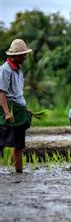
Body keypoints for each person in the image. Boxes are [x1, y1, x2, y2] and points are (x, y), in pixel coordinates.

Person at [0, 39, 33, 173]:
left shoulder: (18, 69)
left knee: (19, 145)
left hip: (19, 112)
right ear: (15, 56)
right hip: (9, 111)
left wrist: (24, 108)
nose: (25, 58)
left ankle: (19, 173)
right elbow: (1, 92)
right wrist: (7, 112)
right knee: (0, 144)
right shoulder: (5, 70)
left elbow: (17, 93)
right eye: (23, 55)